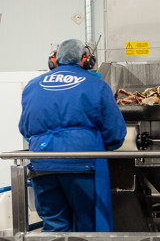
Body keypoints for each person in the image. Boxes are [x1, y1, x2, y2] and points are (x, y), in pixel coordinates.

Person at [19, 38, 127, 232]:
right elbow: (115, 134)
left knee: (54, 226)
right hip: (82, 164)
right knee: (88, 226)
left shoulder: (32, 86)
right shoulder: (96, 85)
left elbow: (26, 130)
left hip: (42, 163)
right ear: (86, 60)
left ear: (54, 59)